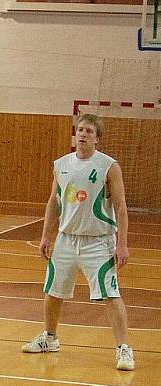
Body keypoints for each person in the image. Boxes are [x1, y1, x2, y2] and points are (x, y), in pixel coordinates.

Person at [22, 113, 134, 371]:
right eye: (80, 130)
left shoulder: (108, 166)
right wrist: (45, 235)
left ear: (97, 138)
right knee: (53, 291)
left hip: (99, 242)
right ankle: (49, 338)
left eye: (89, 131)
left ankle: (123, 348)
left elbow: (120, 206)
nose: (83, 134)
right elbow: (54, 201)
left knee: (110, 294)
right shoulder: (61, 164)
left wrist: (122, 243)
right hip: (66, 240)